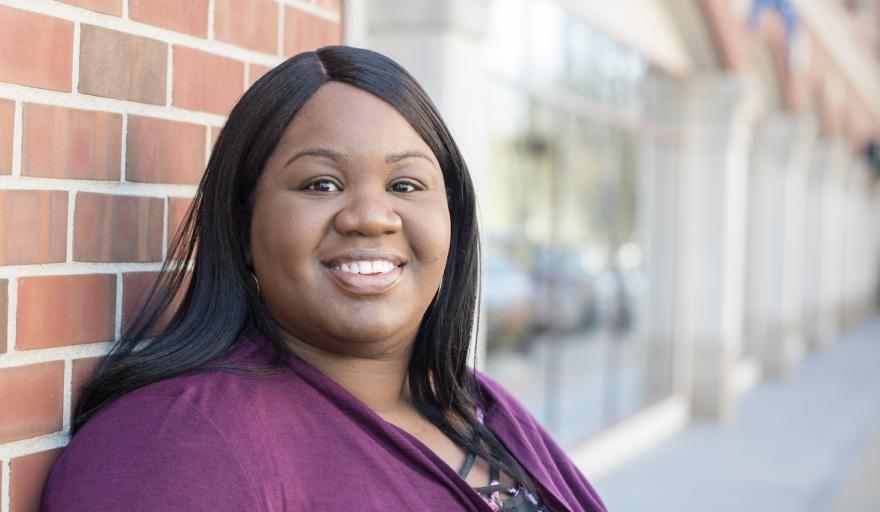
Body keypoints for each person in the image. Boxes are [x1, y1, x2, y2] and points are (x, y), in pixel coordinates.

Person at [41, 46, 607, 512]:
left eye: (406, 186)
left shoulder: (476, 405)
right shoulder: (175, 445)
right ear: (243, 224)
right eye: (321, 184)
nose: (370, 216)